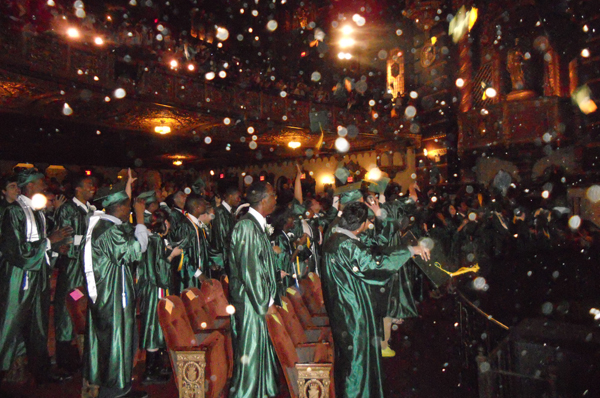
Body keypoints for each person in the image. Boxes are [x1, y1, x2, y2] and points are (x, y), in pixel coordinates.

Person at [321, 201, 430, 398]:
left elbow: (372, 252)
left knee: (351, 358)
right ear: (362, 224)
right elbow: (374, 265)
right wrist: (409, 251)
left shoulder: (335, 238)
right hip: (352, 311)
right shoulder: (345, 245)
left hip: (343, 309)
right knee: (356, 361)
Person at [0, 168, 73, 384]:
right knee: (10, 322)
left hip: (38, 274)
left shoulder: (37, 211)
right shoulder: (14, 212)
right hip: (19, 276)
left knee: (38, 322)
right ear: (29, 185)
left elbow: (42, 245)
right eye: (40, 182)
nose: (44, 185)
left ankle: (40, 369)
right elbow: (17, 251)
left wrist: (54, 248)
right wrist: (49, 241)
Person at [83, 169, 149, 398]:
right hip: (111, 295)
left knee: (112, 340)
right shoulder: (109, 230)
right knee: (115, 342)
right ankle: (115, 391)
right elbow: (136, 250)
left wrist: (127, 186)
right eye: (128, 207)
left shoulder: (100, 224)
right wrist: (140, 218)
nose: (130, 210)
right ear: (119, 208)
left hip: (105, 294)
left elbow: (125, 232)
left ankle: (118, 386)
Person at [228, 181, 279, 398]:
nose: (277, 200)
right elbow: (251, 271)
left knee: (259, 349)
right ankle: (246, 393)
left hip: (256, 298)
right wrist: (266, 302)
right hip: (251, 301)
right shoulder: (246, 227)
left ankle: (262, 390)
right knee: (250, 350)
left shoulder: (256, 224)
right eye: (274, 196)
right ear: (264, 200)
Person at [53, 173, 96, 373]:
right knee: (68, 304)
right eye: (88, 185)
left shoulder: (90, 210)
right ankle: (65, 358)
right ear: (78, 189)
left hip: (86, 268)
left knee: (82, 307)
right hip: (73, 268)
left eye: (93, 186)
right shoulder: (69, 209)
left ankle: (82, 354)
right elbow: (67, 240)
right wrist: (83, 244)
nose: (92, 189)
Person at [138, 209, 181, 385]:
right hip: (155, 290)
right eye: (168, 222)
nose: (170, 225)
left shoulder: (156, 240)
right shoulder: (154, 241)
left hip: (155, 288)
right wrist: (171, 255)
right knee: (153, 327)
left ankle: (156, 366)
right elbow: (159, 271)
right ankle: (150, 371)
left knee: (157, 326)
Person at [210, 185, 241, 277]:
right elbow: (221, 239)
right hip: (223, 260)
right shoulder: (220, 213)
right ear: (230, 196)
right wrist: (226, 263)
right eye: (238, 197)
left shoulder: (228, 212)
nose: (239, 200)